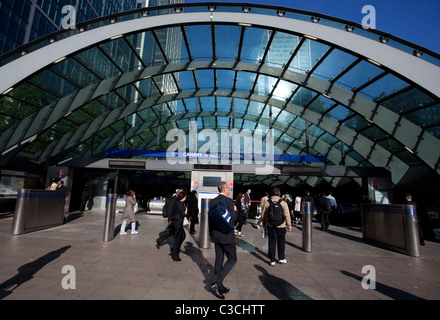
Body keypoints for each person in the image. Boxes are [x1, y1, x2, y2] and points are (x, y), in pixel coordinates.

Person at [209, 181, 238, 299]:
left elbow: (209, 219)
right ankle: (217, 281)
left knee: (219, 259)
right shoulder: (229, 202)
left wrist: (211, 234)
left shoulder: (212, 202)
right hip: (227, 236)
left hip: (216, 235)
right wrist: (235, 211)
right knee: (232, 258)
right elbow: (234, 220)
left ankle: (219, 287)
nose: (229, 190)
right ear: (225, 190)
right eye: (229, 188)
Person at [261, 187, 291, 266]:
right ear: (279, 194)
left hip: (270, 225)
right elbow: (287, 215)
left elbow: (263, 214)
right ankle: (281, 258)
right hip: (281, 225)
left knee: (272, 241)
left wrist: (264, 222)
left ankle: (272, 259)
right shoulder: (283, 203)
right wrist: (289, 225)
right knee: (281, 241)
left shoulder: (268, 202)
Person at [170, 191, 187, 261]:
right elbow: (183, 214)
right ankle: (175, 254)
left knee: (182, 236)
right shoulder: (180, 204)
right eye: (185, 197)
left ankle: (175, 249)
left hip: (176, 221)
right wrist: (186, 211)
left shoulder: (177, 202)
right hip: (178, 222)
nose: (186, 198)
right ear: (182, 197)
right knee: (178, 238)